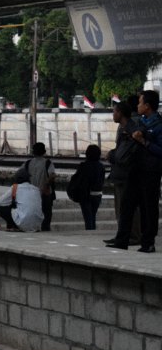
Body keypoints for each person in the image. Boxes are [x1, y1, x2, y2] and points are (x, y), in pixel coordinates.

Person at [109, 90, 162, 253]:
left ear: (147, 106)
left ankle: (148, 242)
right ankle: (122, 240)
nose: (137, 106)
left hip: (150, 171)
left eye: (140, 103)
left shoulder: (158, 125)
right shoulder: (139, 122)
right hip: (134, 169)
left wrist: (144, 142)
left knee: (148, 207)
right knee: (127, 205)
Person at [104, 99, 140, 246]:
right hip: (120, 173)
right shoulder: (123, 128)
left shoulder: (130, 129)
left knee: (129, 207)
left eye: (114, 111)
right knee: (120, 207)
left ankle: (133, 235)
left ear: (120, 113)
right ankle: (122, 234)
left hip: (127, 173)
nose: (113, 115)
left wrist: (112, 155)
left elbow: (125, 153)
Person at [17, 142, 55, 231]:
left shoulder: (28, 163)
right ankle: (45, 229)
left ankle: (33, 228)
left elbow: (18, 174)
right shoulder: (48, 163)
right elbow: (52, 175)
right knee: (46, 213)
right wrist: (46, 185)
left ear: (33, 152)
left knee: (33, 211)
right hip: (44, 193)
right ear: (44, 152)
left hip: (30, 193)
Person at [71, 144, 106, 230]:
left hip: (86, 194)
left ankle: (90, 232)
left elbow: (78, 179)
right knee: (93, 215)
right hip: (97, 194)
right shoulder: (101, 166)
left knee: (88, 217)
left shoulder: (84, 165)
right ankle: (93, 231)